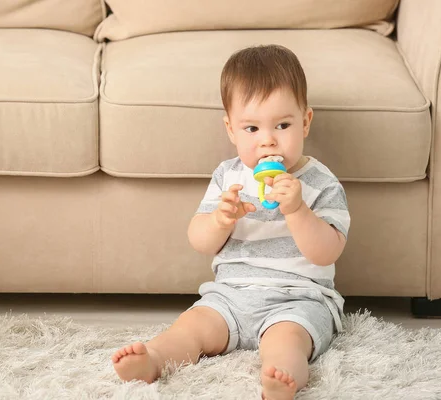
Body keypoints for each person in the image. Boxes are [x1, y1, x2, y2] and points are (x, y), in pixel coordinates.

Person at [111, 44, 350, 400]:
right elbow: (199, 240)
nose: (268, 139)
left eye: (282, 125)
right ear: (231, 130)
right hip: (230, 296)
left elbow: (326, 252)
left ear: (306, 122)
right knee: (191, 327)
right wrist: (220, 221)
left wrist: (298, 210)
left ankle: (282, 379)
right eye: (251, 128)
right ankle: (156, 358)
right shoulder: (229, 177)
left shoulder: (321, 183)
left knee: (286, 342)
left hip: (298, 300)